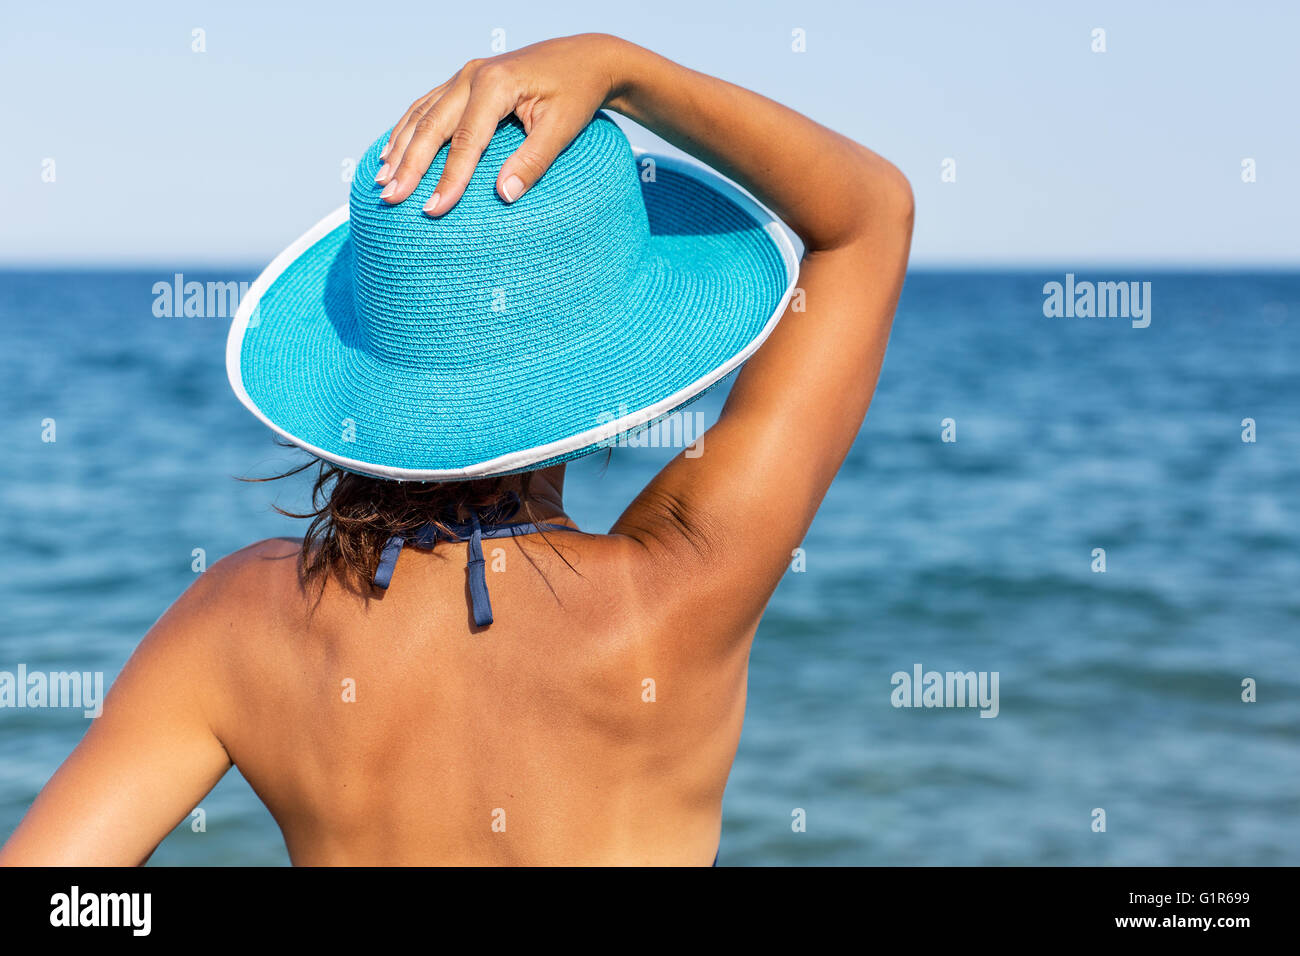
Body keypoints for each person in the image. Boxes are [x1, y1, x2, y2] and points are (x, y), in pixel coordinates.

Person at [0, 33, 912, 866]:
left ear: (369, 356)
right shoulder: (681, 590)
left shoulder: (235, 622)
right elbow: (869, 218)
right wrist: (625, 72)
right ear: (596, 375)